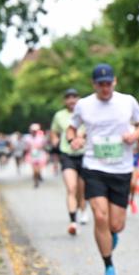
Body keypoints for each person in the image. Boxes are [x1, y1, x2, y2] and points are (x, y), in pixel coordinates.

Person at [66, 63, 139, 275]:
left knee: (116, 224)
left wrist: (135, 135)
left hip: (121, 169)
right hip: (94, 167)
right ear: (93, 85)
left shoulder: (127, 101)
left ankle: (111, 236)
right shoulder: (84, 105)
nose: (105, 88)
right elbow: (71, 128)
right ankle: (109, 266)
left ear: (115, 81)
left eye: (108, 83)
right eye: (100, 84)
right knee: (99, 216)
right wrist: (74, 139)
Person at [50, 88, 89, 235]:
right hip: (67, 155)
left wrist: (84, 138)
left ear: (79, 99)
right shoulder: (59, 115)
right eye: (68, 97)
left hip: (84, 155)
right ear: (64, 101)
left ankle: (83, 209)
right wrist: (54, 139)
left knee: (82, 189)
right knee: (71, 188)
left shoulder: (86, 113)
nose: (71, 100)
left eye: (74, 97)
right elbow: (53, 130)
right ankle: (73, 221)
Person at [24, 123, 49, 188]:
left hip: (40, 155)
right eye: (33, 130)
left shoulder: (41, 138)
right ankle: (36, 181)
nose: (34, 132)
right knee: (34, 170)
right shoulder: (28, 138)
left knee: (38, 169)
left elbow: (44, 146)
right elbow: (26, 147)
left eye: (35, 131)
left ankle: (38, 177)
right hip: (32, 155)